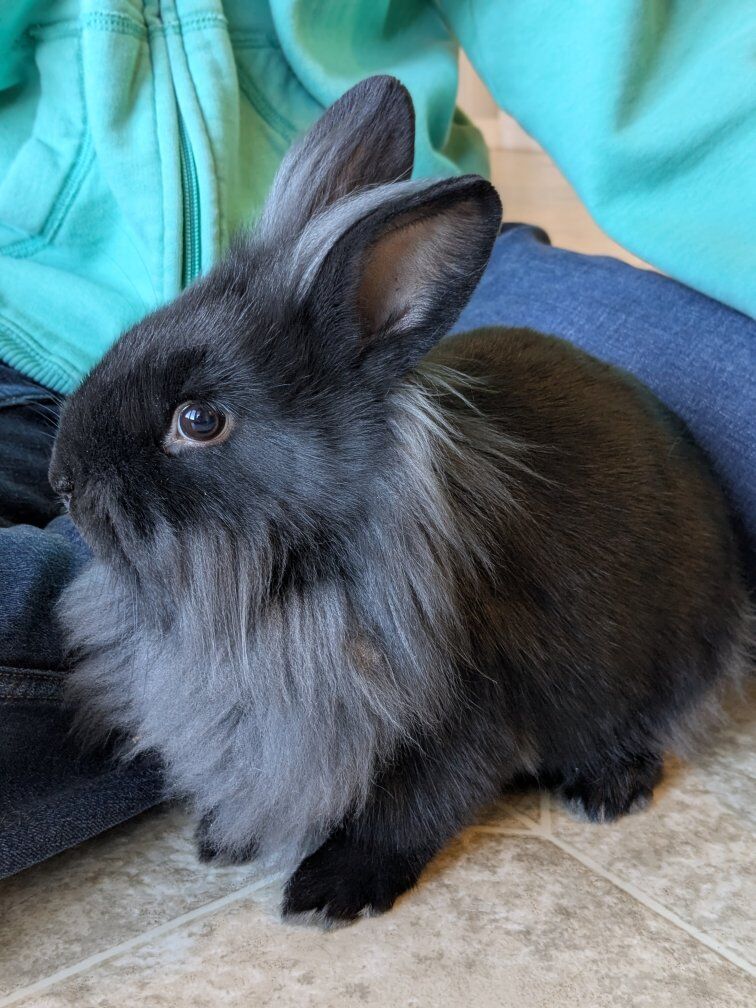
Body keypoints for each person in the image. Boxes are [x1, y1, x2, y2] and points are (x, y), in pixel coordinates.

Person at [1, 0, 754, 877]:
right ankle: (251, 667)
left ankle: (250, 667)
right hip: (29, 307)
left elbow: (651, 54)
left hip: (368, 308)